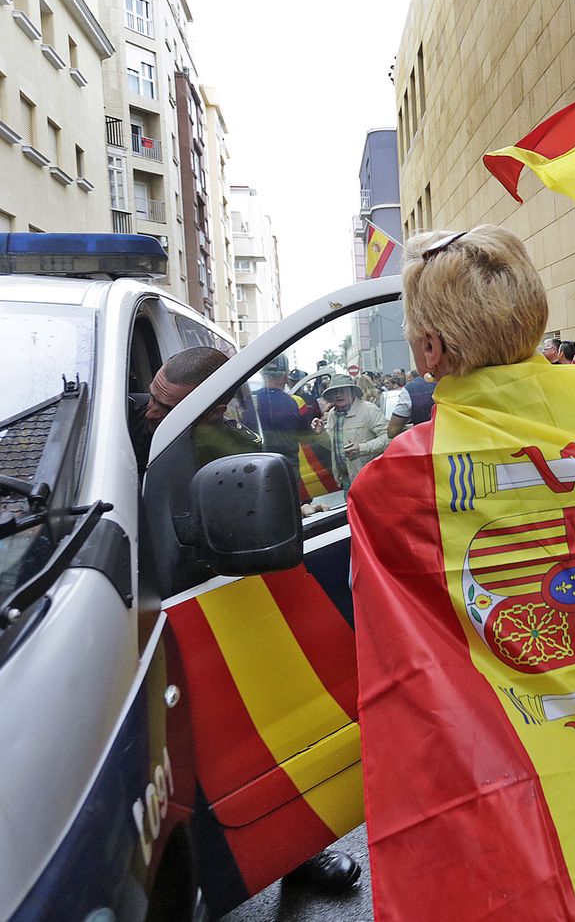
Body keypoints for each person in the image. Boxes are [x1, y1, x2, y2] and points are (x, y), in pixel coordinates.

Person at [124, 348, 362, 893]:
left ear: (212, 408)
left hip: (218, 599)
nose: (150, 414)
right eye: (153, 398)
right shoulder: (126, 422)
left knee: (264, 741)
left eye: (168, 407)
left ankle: (295, 849)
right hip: (130, 608)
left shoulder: (233, 444)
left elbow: (295, 486)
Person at [311, 373, 390, 492]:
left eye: (343, 390)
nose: (338, 395)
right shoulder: (332, 414)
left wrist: (362, 448)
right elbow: (333, 446)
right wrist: (320, 433)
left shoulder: (368, 409)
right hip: (347, 479)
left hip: (370, 477)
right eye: (335, 392)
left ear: (352, 391)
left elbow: (389, 438)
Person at [251, 355, 310, 463]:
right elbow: (306, 438)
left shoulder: (249, 401)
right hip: (287, 467)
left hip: (256, 467)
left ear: (262, 375)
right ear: (286, 375)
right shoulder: (296, 402)